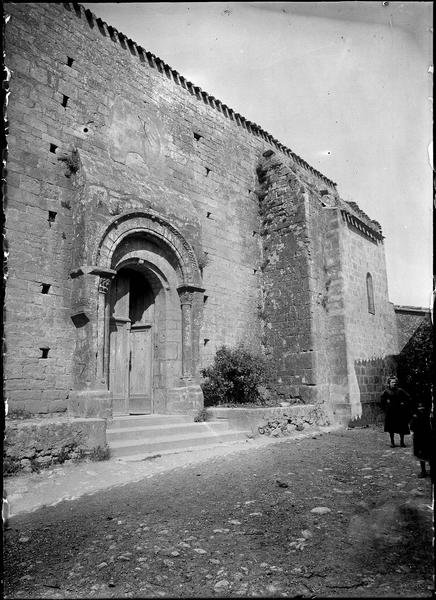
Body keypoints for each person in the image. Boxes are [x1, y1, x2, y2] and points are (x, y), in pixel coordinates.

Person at [380, 376, 412, 448]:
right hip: (390, 412)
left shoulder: (400, 390)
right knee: (391, 428)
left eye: (395, 382)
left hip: (399, 411)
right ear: (389, 383)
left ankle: (402, 442)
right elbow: (382, 402)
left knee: (401, 427)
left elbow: (408, 397)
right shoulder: (386, 392)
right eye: (392, 382)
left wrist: (403, 403)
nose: (394, 383)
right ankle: (392, 442)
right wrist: (386, 406)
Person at [409, 402, 432, 478]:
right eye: (419, 408)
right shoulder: (415, 417)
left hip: (428, 437)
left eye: (422, 408)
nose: (421, 410)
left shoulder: (429, 417)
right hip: (419, 438)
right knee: (421, 455)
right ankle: (423, 471)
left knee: (429, 454)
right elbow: (411, 427)